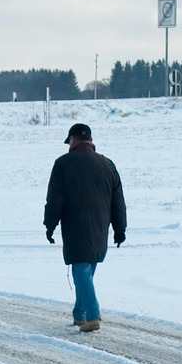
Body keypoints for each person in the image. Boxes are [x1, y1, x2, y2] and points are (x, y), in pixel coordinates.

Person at [44, 123, 126, 332]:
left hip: (75, 224)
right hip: (100, 225)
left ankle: (92, 315)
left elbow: (55, 199)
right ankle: (80, 314)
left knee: (80, 269)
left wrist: (50, 224)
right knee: (86, 269)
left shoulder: (63, 164)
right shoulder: (108, 164)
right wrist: (119, 228)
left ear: (72, 140)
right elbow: (118, 200)